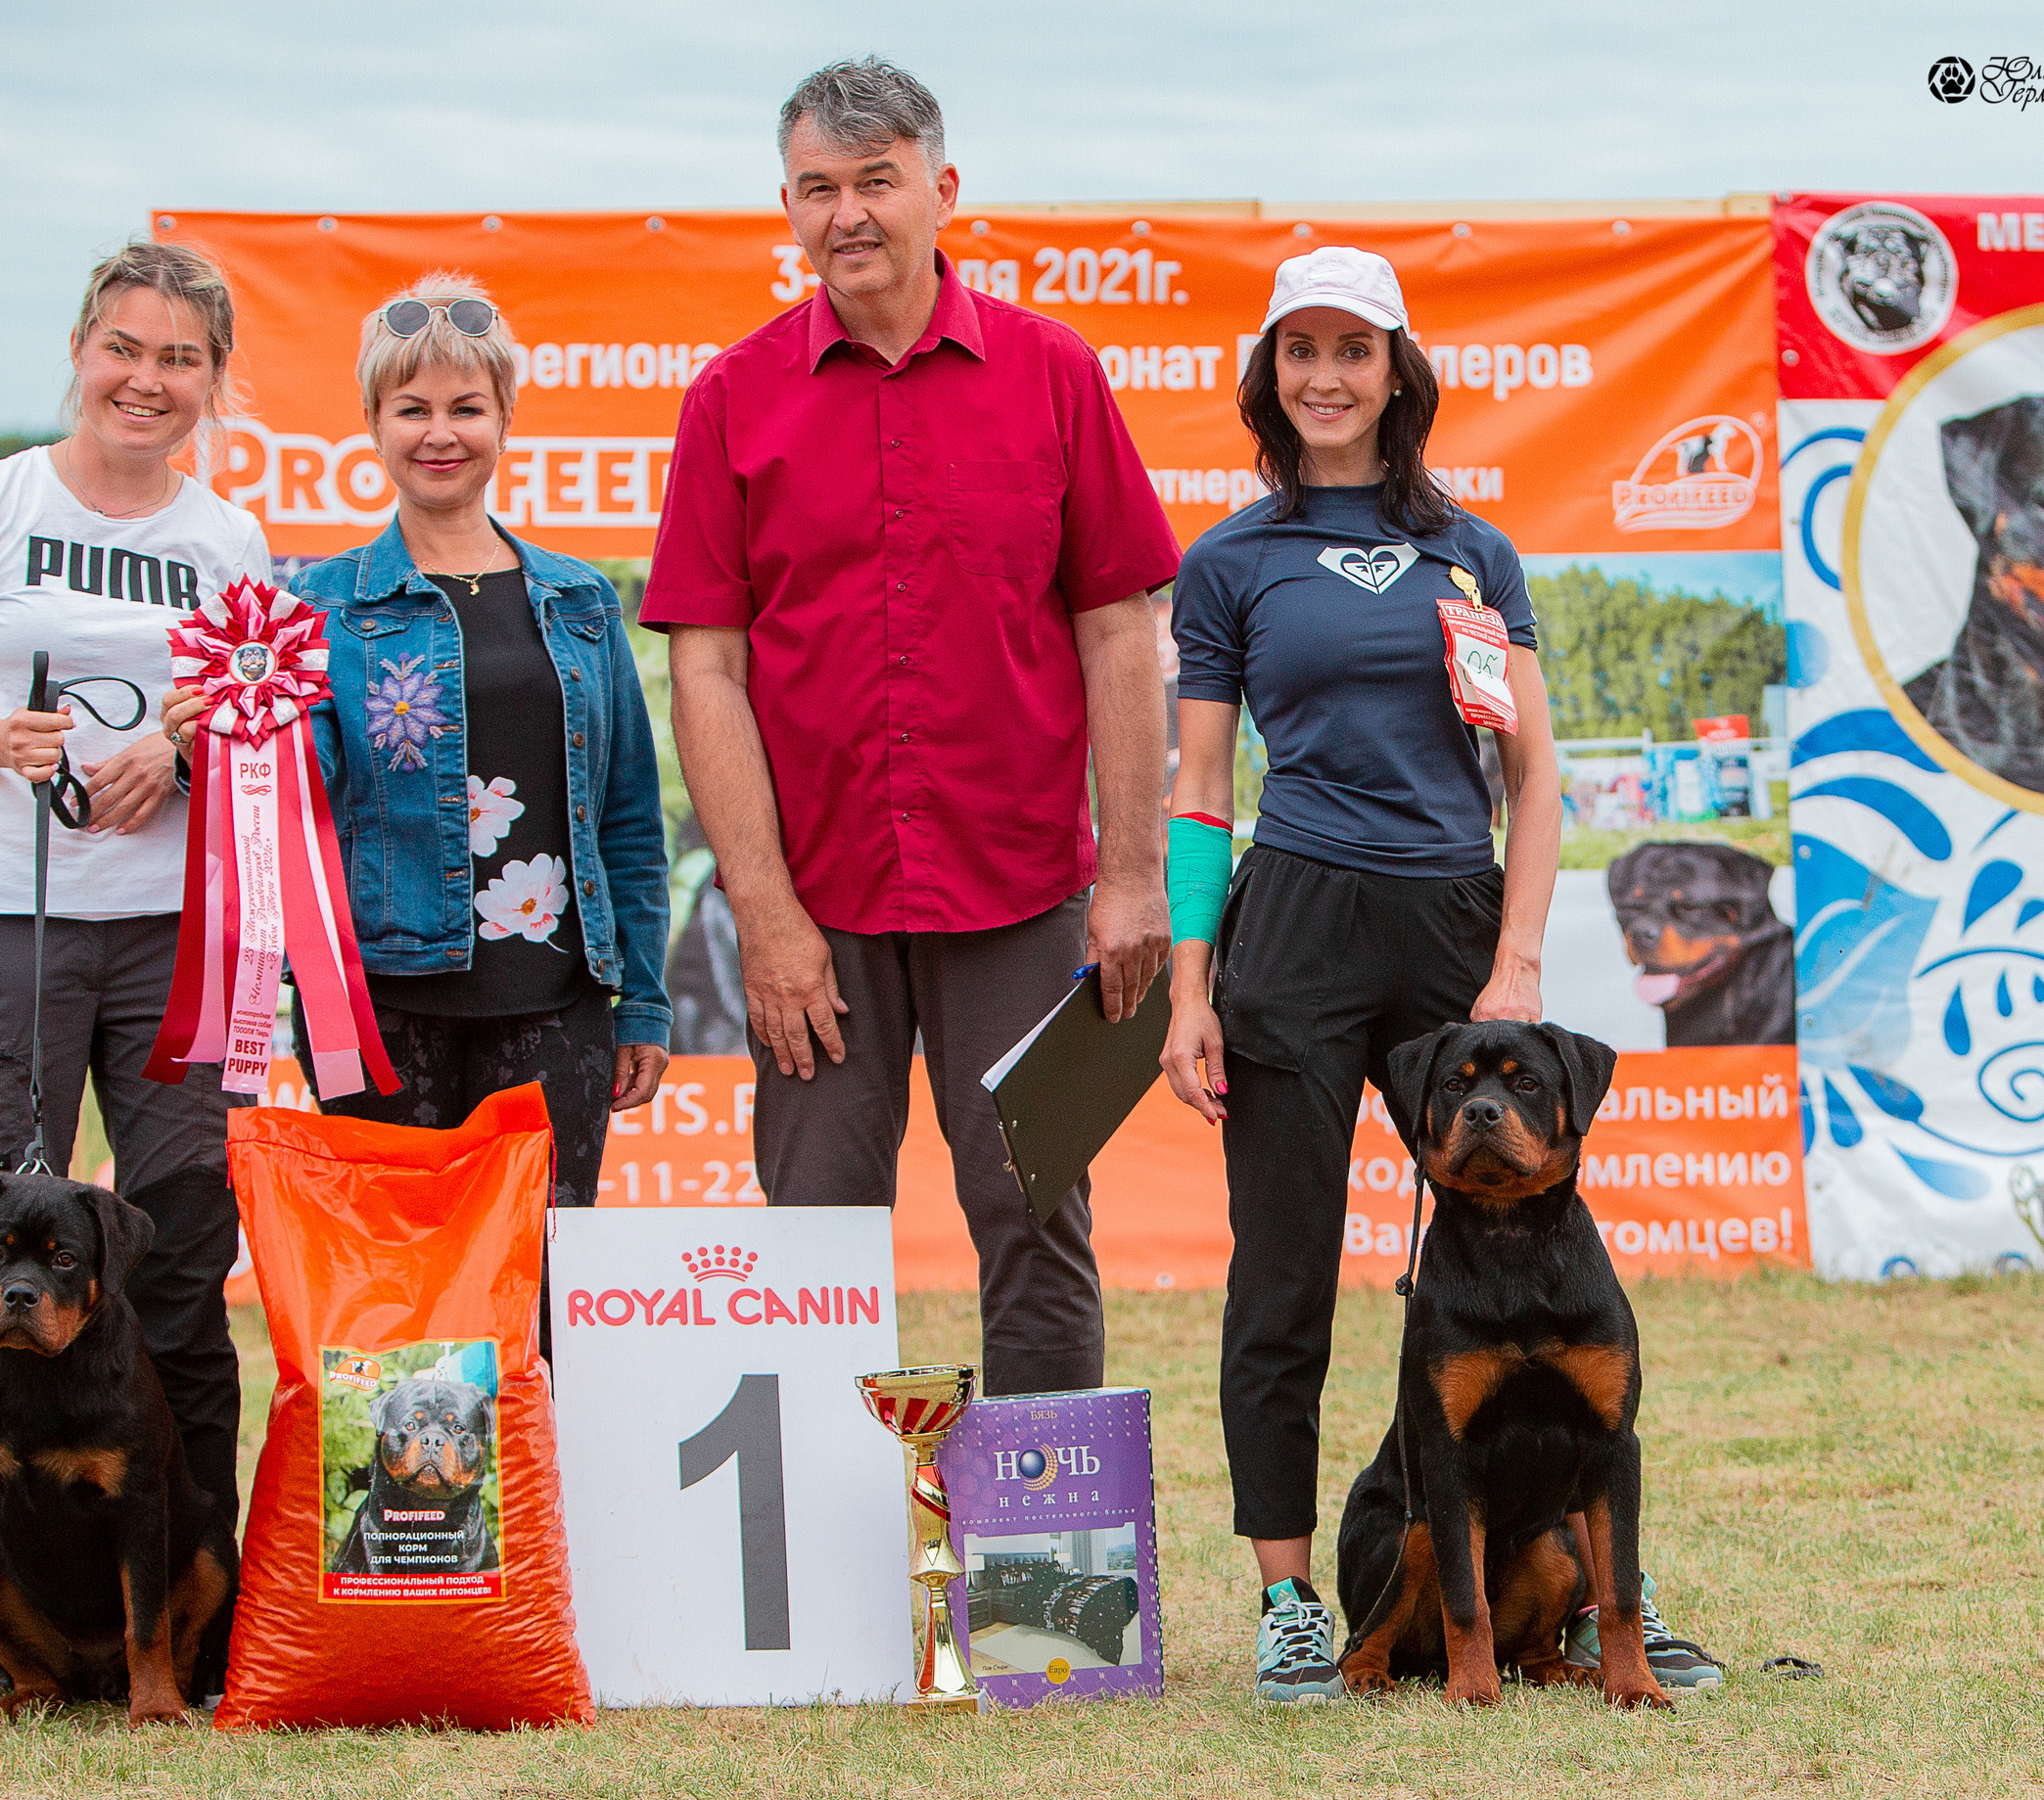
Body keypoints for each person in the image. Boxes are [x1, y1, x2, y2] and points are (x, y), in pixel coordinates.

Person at [1159, 246, 1722, 1703]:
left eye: (1354, 348)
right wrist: (1190, 989)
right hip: (1293, 925)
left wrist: (1515, 955)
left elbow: (1533, 779)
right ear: (1269, 374)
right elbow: (1202, 796)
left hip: (1454, 921)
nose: (1327, 376)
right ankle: (1291, 1601)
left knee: (1515, 1245)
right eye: (1301, 350)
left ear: (1398, 370)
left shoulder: (1474, 552)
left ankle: (1594, 1586)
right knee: (1280, 1275)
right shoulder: (1229, 560)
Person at [644, 57, 1177, 1397]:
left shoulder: (1054, 374)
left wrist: (1132, 874)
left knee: (1035, 1220)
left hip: (1020, 892)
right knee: (811, 1238)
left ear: (942, 190)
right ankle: (829, 1538)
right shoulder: (730, 399)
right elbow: (706, 672)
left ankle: (1045, 1531)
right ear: (787, 205)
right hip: (814, 911)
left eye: (875, 181)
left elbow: (1120, 633)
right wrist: (764, 912)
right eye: (817, 188)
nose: (848, 215)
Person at [0, 241, 270, 1724]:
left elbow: (257, 731)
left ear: (215, 380)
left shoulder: (231, 541)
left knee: (180, 1274)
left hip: (176, 940)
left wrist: (182, 748)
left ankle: (202, 1629)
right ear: (81, 351)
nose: (147, 380)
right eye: (124, 349)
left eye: (180, 359)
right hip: (5, 924)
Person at [167, 272, 671, 1208]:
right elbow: (301, 789)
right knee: (400, 1274)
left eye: (466, 407)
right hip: (377, 1007)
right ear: (373, 422)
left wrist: (642, 999)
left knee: (538, 1272)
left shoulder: (584, 600)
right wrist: (217, 753)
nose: (441, 433)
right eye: (413, 409)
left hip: (560, 1002)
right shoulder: (318, 604)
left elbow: (631, 820)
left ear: (505, 418)